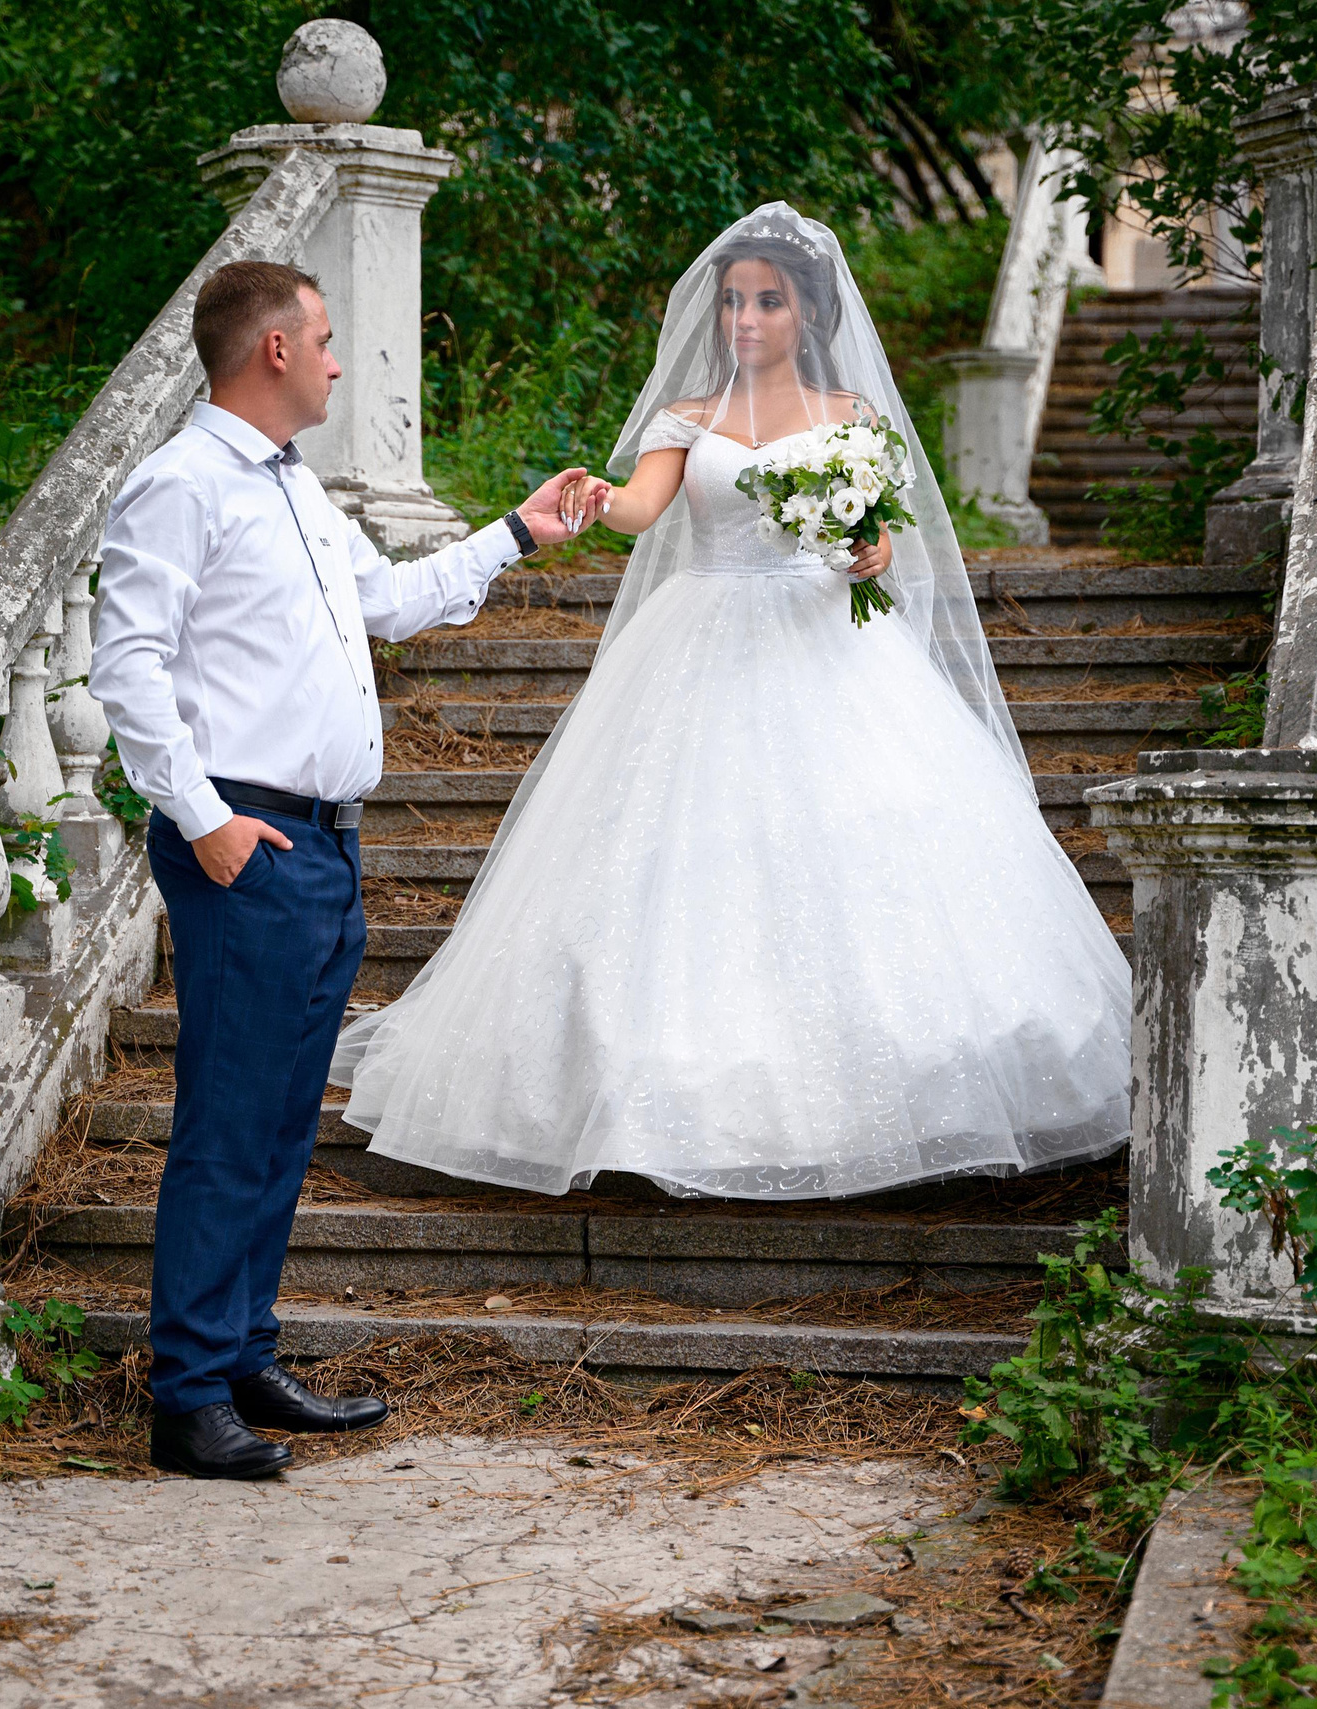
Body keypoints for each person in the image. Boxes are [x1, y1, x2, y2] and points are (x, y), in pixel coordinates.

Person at [330, 204, 1132, 1199]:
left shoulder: (851, 417)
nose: (745, 319)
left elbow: (879, 539)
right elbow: (639, 509)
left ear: (805, 312)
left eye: (767, 301)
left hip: (825, 644)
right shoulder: (690, 419)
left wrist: (867, 549)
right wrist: (589, 500)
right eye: (732, 301)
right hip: (700, 633)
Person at [88, 259, 600, 1480]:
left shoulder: (294, 490)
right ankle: (189, 1392)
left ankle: (244, 1353)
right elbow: (127, 665)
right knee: (225, 1121)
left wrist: (517, 531)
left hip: (322, 842)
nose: (334, 355)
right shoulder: (179, 485)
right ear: (270, 349)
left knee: (275, 1123)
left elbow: (389, 600)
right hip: (246, 840)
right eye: (322, 336)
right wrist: (204, 818)